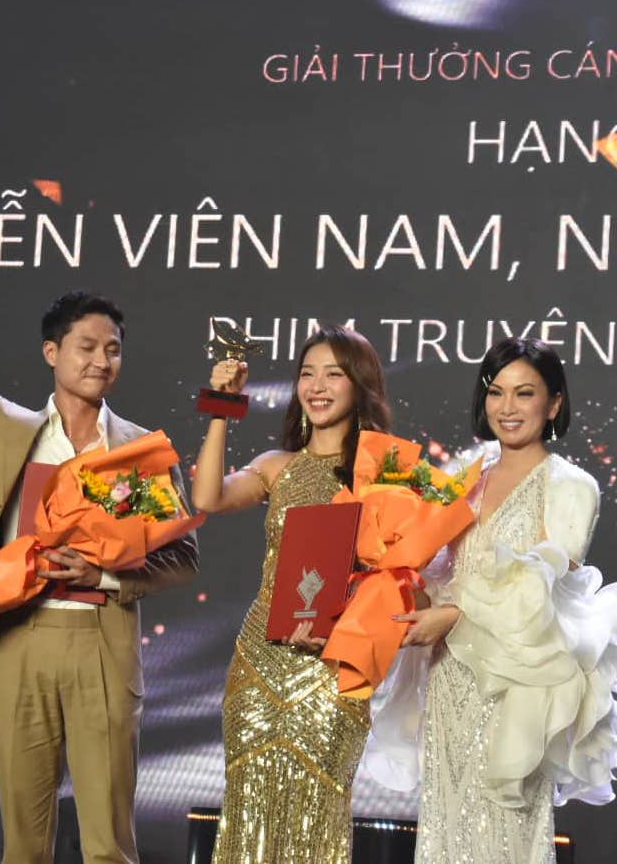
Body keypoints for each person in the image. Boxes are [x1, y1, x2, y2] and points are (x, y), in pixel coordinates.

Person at [0, 227, 199, 864]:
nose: (102, 361)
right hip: (21, 636)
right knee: (24, 840)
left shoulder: (139, 447)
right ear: (52, 352)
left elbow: (183, 556)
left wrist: (106, 576)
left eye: (114, 350)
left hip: (103, 638)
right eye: (87, 347)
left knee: (108, 842)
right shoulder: (10, 429)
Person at [387, 338, 617, 863]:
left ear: (554, 404)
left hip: (518, 684)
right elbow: (437, 566)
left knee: (505, 829)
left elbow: (540, 588)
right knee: (448, 822)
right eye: (496, 392)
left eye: (525, 393)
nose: (507, 407)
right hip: (449, 673)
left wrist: (452, 616)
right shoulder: (466, 474)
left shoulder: (571, 486)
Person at [191, 325, 393, 864]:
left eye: (334, 374)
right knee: (249, 803)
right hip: (260, 662)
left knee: (316, 811)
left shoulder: (385, 475)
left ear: (360, 384)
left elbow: (399, 577)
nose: (317, 386)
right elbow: (207, 497)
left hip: (332, 670)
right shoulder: (276, 466)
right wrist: (222, 407)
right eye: (307, 374)